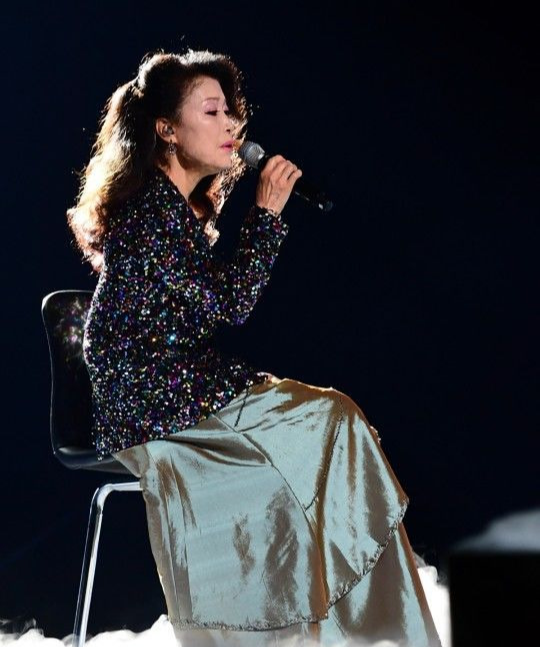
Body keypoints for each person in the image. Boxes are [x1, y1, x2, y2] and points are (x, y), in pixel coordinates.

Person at [67, 49, 441, 646]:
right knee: (329, 419)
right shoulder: (149, 212)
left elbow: (209, 309)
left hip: (184, 386)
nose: (232, 125)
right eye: (212, 111)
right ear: (166, 128)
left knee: (331, 422)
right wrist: (266, 214)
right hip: (152, 402)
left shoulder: (176, 210)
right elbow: (228, 305)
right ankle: (346, 625)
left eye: (231, 112)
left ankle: (345, 620)